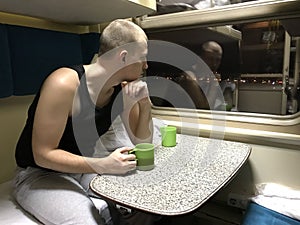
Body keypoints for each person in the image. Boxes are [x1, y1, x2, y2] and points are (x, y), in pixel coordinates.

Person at [13, 19, 156, 225]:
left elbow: (142, 142)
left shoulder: (122, 89)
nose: (146, 65)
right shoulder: (63, 84)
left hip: (82, 168)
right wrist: (102, 164)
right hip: (38, 174)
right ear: (123, 57)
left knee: (142, 200)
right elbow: (42, 155)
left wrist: (145, 104)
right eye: (142, 57)